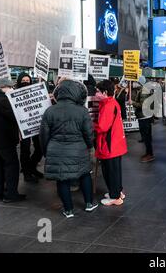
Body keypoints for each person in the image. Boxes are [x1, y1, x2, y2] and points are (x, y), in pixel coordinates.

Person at [40, 79, 98, 218]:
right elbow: (89, 133)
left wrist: (46, 151)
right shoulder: (82, 111)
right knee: (84, 174)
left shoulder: (49, 111)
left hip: (56, 149)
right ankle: (89, 203)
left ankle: (68, 210)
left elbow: (43, 135)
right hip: (79, 149)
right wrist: (90, 146)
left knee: (62, 179)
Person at [0, 78, 25, 203]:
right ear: (3, 87)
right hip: (5, 140)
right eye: (10, 87)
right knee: (11, 166)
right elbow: (16, 116)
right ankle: (10, 194)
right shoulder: (3, 101)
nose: (12, 89)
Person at [94, 80, 128, 206]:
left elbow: (102, 127)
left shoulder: (108, 105)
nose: (96, 93)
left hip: (110, 144)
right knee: (115, 170)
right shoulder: (112, 103)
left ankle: (115, 197)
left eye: (98, 91)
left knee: (110, 171)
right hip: (116, 143)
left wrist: (92, 125)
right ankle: (117, 191)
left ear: (105, 92)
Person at [16, 73, 43, 183]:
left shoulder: (35, 92)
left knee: (40, 148)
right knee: (25, 150)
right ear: (19, 81)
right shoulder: (14, 94)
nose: (26, 82)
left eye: (28, 80)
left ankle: (32, 167)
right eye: (23, 80)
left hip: (36, 124)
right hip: (23, 126)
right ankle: (27, 173)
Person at [132, 76, 155, 163]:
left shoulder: (143, 91)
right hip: (146, 116)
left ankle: (150, 154)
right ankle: (149, 153)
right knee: (147, 137)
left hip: (144, 116)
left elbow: (143, 105)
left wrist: (132, 103)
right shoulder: (144, 90)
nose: (134, 83)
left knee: (146, 137)